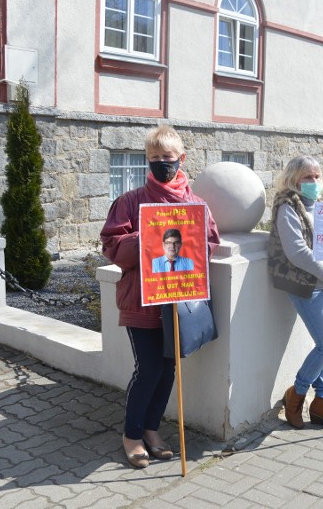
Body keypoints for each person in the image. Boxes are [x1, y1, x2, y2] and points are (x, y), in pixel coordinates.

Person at [100, 125, 220, 469]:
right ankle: (132, 434)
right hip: (141, 300)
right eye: (154, 158)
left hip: (179, 302)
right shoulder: (130, 202)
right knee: (149, 367)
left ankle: (152, 430)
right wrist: (147, 238)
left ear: (181, 159)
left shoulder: (196, 205)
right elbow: (111, 246)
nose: (161, 163)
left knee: (168, 370)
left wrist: (196, 247)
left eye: (167, 158)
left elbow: (210, 245)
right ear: (146, 161)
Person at [267, 155, 323, 430]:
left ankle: (322, 403)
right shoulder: (287, 208)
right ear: (294, 179)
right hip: (309, 286)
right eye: (308, 177)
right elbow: (297, 252)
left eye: (317, 176)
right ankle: (296, 394)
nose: (314, 182)